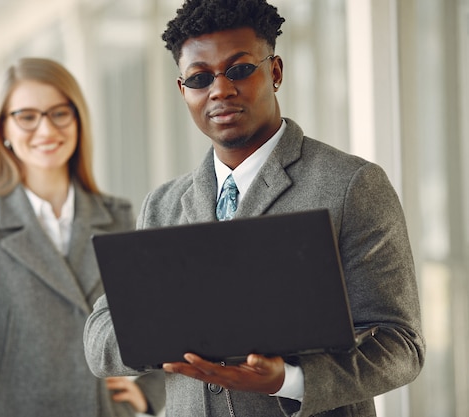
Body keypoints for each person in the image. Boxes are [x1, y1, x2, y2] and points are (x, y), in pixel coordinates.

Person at [84, 1, 425, 416]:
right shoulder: (163, 205)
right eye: (199, 78)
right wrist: (168, 331)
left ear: (275, 71)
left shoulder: (351, 185)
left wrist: (289, 379)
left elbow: (400, 344)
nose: (220, 90)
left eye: (240, 70)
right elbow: (99, 338)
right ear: (183, 90)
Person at [0, 57, 164, 417]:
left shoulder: (116, 216)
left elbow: (157, 320)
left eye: (59, 113)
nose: (45, 129)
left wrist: (150, 392)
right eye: (27, 116)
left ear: (78, 120)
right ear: (3, 128)